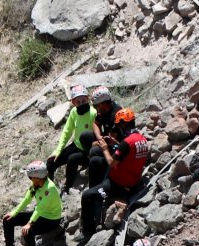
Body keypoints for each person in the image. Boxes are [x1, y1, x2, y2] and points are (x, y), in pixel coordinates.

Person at [80, 108, 150, 236]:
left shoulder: (127, 143)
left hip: (118, 185)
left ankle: (87, 231)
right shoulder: (142, 139)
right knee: (96, 162)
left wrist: (105, 148)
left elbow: (111, 162)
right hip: (133, 181)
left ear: (124, 124)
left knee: (86, 196)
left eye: (119, 125)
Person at [2, 161, 63, 246]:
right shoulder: (36, 185)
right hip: (41, 214)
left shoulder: (49, 188)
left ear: (37, 177)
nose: (30, 179)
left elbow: (40, 208)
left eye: (31, 177)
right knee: (8, 220)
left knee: (28, 231)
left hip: (51, 219)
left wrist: (29, 223)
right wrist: (14, 213)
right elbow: (26, 199)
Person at [45, 84, 95, 191]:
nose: (81, 104)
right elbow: (66, 132)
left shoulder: (93, 113)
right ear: (73, 103)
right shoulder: (74, 112)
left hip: (88, 151)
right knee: (51, 162)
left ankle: (67, 186)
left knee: (72, 159)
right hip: (76, 145)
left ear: (88, 99)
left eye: (84, 101)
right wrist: (58, 151)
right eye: (78, 102)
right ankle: (50, 188)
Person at [83, 86, 120, 187]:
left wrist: (97, 143)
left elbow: (111, 140)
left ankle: (101, 170)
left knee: (93, 150)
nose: (96, 109)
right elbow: (95, 124)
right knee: (84, 136)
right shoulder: (103, 111)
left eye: (96, 106)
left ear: (103, 104)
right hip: (105, 138)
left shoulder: (116, 115)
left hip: (115, 144)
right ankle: (91, 163)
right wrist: (99, 137)